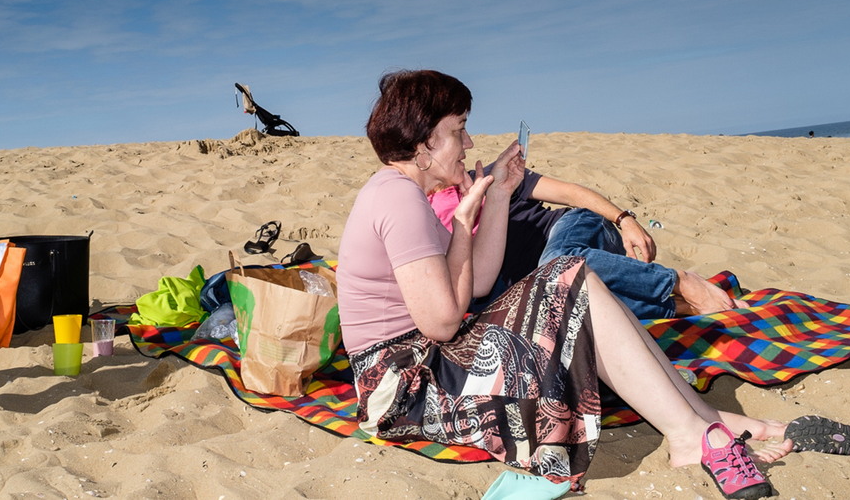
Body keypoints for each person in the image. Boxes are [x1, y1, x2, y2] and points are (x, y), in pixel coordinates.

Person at [337, 70, 796, 497]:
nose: (468, 141)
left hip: (427, 361)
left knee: (571, 276)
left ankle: (703, 420)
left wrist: (497, 194)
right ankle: (690, 434)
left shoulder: (403, 192)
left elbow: (476, 284)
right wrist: (461, 224)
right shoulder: (398, 199)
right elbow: (440, 322)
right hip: (402, 388)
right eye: (458, 130)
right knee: (565, 278)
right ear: (423, 144)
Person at [429, 165, 736, 319]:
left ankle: (678, 282)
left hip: (575, 230)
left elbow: (572, 194)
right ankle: (677, 305)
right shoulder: (423, 222)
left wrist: (625, 220)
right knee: (563, 310)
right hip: (557, 281)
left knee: (556, 260)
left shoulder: (490, 176)